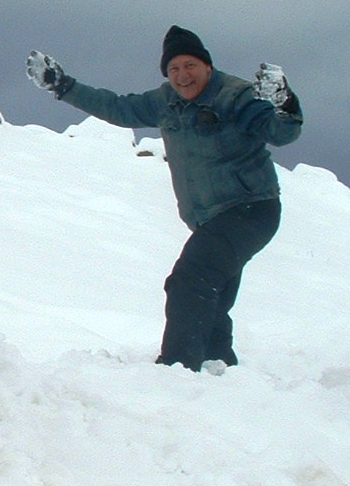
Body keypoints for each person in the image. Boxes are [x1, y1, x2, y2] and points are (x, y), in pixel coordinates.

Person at [26, 25, 304, 371]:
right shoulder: (165, 102)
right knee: (212, 294)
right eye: (174, 69)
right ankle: (219, 367)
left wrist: (284, 103)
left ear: (207, 66)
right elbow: (117, 108)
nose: (182, 76)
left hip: (250, 209)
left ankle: (176, 368)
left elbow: (280, 132)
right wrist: (63, 86)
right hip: (210, 219)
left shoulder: (235, 97)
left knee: (189, 282)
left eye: (189, 66)